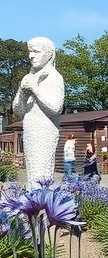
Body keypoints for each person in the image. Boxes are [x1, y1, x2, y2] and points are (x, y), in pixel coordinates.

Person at [12, 37, 65, 188]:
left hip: (45, 130)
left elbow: (55, 108)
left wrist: (35, 89)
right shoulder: (28, 78)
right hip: (30, 129)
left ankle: (40, 205)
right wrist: (23, 92)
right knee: (32, 174)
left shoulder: (55, 78)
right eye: (30, 52)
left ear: (48, 54)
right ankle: (32, 206)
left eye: (36, 51)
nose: (31, 56)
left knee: (41, 174)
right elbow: (18, 111)